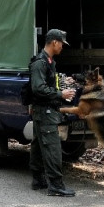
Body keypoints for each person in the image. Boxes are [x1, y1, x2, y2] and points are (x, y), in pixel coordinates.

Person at [28, 29, 77, 197]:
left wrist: (62, 83)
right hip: (45, 111)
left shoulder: (49, 62)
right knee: (52, 147)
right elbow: (38, 88)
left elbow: (49, 82)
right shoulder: (40, 63)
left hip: (45, 110)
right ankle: (55, 185)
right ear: (54, 42)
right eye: (61, 43)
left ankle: (38, 179)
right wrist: (60, 94)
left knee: (39, 144)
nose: (63, 46)